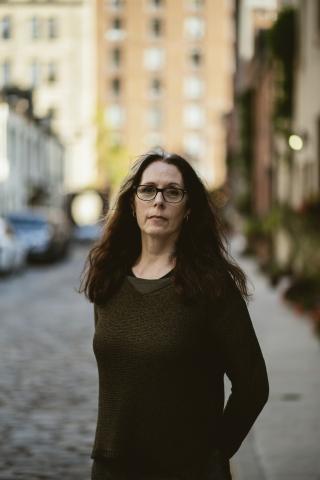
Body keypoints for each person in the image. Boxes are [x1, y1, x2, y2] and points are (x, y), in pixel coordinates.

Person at [79, 150, 269, 480]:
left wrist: (215, 454)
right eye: (148, 190)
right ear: (133, 203)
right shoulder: (109, 280)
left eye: (173, 192)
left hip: (186, 470)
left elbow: (253, 384)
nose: (159, 201)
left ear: (189, 208)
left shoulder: (211, 285)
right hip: (112, 466)